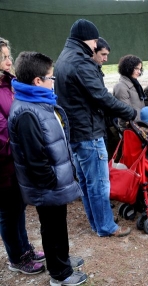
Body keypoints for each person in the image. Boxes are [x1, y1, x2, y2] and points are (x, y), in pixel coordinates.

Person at [8, 51, 87, 285]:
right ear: (37, 81)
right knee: (52, 229)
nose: (54, 82)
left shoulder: (38, 102)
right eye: (51, 78)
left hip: (53, 184)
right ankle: (59, 274)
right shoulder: (27, 112)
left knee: (57, 226)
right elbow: (35, 158)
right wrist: (52, 181)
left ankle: (61, 259)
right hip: (47, 186)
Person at [54, 19, 136, 237]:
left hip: (75, 132)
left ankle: (97, 223)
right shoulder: (81, 62)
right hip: (88, 132)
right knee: (99, 184)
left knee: (88, 183)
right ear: (87, 39)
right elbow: (101, 97)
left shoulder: (64, 57)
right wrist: (130, 112)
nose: (95, 45)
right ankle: (106, 226)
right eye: (94, 41)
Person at [0, 38, 45, 275]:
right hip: (5, 164)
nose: (9, 61)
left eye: (9, 55)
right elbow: (2, 132)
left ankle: (25, 248)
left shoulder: (9, 84)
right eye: (4, 57)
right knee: (8, 212)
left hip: (16, 161)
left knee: (18, 208)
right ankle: (16, 257)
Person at [113, 55, 145, 125]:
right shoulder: (121, 87)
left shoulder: (135, 84)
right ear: (128, 68)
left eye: (140, 69)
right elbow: (126, 112)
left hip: (139, 125)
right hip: (130, 128)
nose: (139, 72)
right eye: (136, 69)